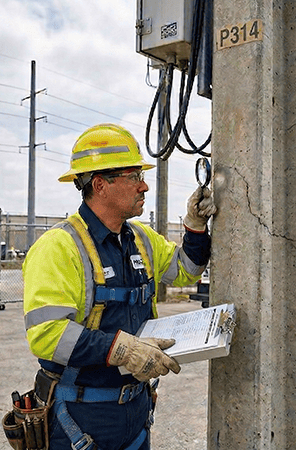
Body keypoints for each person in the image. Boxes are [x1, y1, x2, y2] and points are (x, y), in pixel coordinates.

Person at [22, 123, 216, 449]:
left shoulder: (140, 239)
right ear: (100, 185)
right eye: (134, 177)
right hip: (79, 417)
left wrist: (195, 227)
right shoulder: (58, 247)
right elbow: (47, 335)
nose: (144, 187)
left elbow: (187, 270)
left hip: (135, 412)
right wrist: (120, 349)